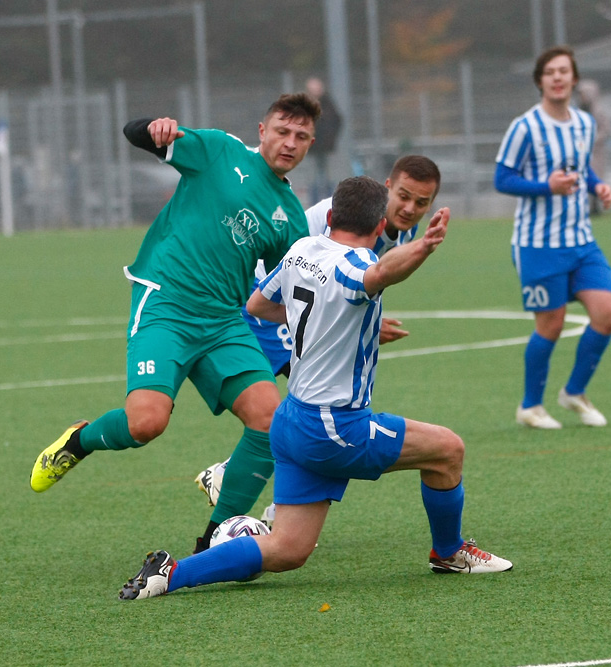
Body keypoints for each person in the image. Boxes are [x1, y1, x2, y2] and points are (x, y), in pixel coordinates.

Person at [118, 176, 512, 601]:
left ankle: (169, 574)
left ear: (329, 215)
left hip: (292, 420)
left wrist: (331, 326)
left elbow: (258, 306)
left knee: (288, 550)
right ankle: (449, 552)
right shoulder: (356, 266)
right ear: (381, 227)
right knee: (448, 450)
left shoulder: (301, 251)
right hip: (334, 426)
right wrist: (423, 246)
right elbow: (381, 271)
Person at [29, 94, 321, 550]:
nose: (289, 143)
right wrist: (155, 129)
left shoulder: (289, 217)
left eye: (300, 137)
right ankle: (80, 441)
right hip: (166, 302)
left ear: (310, 145)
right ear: (262, 131)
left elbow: (296, 288)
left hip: (224, 321)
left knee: (272, 421)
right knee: (146, 424)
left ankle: (213, 542)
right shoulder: (219, 151)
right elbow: (134, 133)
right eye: (282, 131)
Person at [194, 155, 444, 524]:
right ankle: (236, 483)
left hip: (295, 304)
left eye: (421, 203)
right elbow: (314, 276)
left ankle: (256, 493)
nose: (409, 208)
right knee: (315, 403)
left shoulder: (399, 233)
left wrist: (366, 326)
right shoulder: (339, 216)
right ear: (388, 187)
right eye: (404, 196)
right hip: (269, 300)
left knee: (313, 403)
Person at [493, 45, 611, 430]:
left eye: (564, 71)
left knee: (607, 314)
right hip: (537, 245)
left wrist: (597, 187)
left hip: (581, 241)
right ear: (540, 81)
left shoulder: (584, 123)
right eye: (551, 72)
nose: (558, 77)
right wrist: (547, 187)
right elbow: (503, 179)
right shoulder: (525, 127)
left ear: (574, 78)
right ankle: (530, 406)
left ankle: (574, 392)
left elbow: (581, 170)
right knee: (551, 324)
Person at [575, 79, 611, 216]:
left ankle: (596, 206)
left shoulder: (599, 111)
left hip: (596, 151)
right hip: (580, 151)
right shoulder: (577, 111)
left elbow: (607, 129)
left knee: (596, 176)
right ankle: (585, 206)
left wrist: (594, 140)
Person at [305, 77, 342, 205]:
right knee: (313, 179)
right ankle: (314, 204)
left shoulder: (328, 104)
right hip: (310, 149)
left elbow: (337, 121)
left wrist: (331, 139)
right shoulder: (305, 106)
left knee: (328, 178)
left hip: (326, 148)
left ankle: (331, 203)